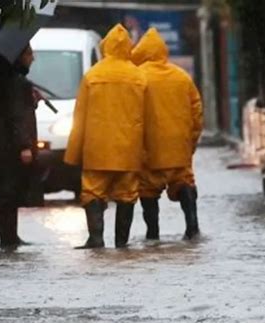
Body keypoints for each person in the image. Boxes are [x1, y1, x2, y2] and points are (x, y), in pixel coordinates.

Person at [64, 24, 147, 248]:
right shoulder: (139, 76)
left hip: (97, 149)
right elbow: (149, 117)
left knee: (92, 191)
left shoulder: (92, 76)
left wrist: (72, 155)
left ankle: (96, 239)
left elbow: (79, 118)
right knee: (127, 194)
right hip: (129, 149)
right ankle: (122, 243)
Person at [131, 28, 203, 240]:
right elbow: (196, 112)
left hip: (149, 149)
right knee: (184, 182)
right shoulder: (182, 77)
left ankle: (153, 234)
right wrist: (191, 143)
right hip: (179, 147)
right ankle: (192, 228)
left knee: (147, 191)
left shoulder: (137, 77)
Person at [0, 44, 40, 249]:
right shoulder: (16, 82)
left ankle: (10, 236)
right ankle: (8, 238)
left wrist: (32, 100)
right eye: (29, 54)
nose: (33, 58)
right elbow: (17, 116)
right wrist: (25, 146)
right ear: (19, 56)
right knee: (9, 194)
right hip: (10, 149)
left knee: (8, 195)